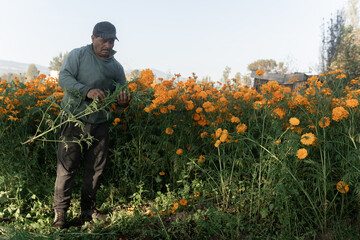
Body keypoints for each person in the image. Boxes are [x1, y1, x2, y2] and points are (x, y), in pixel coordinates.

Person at [52, 21, 130, 229]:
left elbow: (122, 95)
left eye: (111, 40)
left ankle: (87, 211)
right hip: (73, 119)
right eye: (103, 39)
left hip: (100, 124)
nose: (108, 44)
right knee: (66, 167)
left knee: (95, 169)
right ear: (93, 38)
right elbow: (64, 77)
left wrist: (123, 102)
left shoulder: (116, 67)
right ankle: (60, 214)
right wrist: (86, 90)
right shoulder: (78, 55)